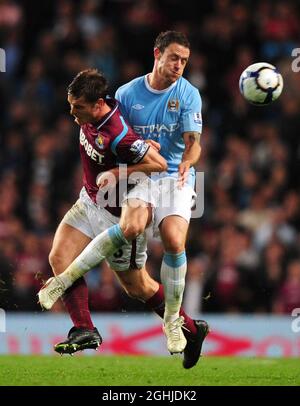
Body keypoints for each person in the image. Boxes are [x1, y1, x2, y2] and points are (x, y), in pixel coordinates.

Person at [39, 31, 209, 364]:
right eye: (173, 57)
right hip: (97, 197)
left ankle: (187, 326)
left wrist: (175, 158)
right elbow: (126, 136)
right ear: (156, 54)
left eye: (184, 60)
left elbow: (162, 147)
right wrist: (136, 155)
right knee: (59, 256)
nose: (178, 65)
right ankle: (83, 328)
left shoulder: (186, 96)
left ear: (95, 104)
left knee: (142, 283)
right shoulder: (125, 96)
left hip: (152, 187)